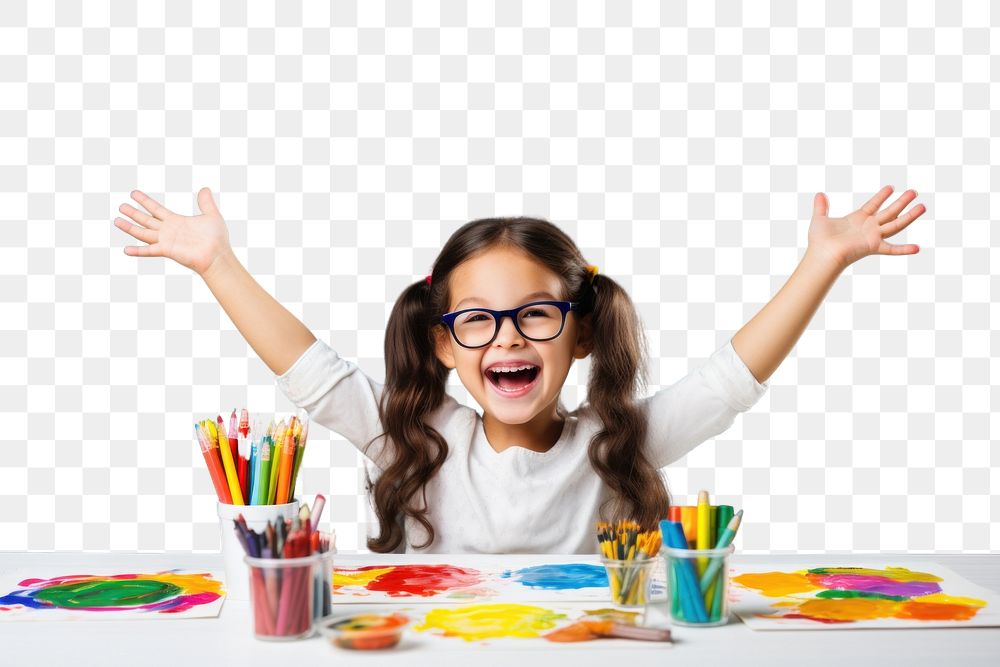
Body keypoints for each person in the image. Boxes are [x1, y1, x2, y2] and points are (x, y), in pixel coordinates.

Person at [114, 185, 926, 553]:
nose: (508, 338)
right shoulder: (412, 439)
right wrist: (218, 265)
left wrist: (823, 263)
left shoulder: (615, 442)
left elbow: (726, 382)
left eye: (536, 313)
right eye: (477, 320)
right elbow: (313, 372)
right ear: (442, 343)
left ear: (580, 333)